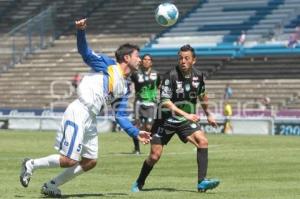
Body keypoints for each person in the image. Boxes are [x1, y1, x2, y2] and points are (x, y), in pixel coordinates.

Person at [19, 18, 151, 197]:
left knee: (90, 161)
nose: (140, 59)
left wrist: (136, 132)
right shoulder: (109, 65)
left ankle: (51, 185)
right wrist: (80, 31)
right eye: (137, 56)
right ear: (127, 58)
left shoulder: (126, 87)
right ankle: (31, 164)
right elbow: (85, 52)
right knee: (69, 160)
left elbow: (120, 116)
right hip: (79, 111)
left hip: (91, 118)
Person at [131, 44, 220, 193]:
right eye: (180, 58)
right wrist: (187, 115)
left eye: (186, 58)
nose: (183, 61)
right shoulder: (170, 76)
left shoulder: (198, 76)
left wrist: (208, 113)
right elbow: (166, 102)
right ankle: (139, 182)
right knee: (154, 156)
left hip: (184, 122)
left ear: (194, 60)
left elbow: (202, 95)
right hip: (165, 121)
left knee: (203, 141)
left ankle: (201, 182)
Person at [130, 54, 160, 155]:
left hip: (151, 103)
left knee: (148, 127)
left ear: (151, 62)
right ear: (142, 61)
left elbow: (159, 85)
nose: (146, 61)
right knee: (137, 126)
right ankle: (137, 149)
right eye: (144, 59)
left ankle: (153, 147)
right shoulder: (135, 73)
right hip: (139, 103)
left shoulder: (156, 74)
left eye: (148, 60)